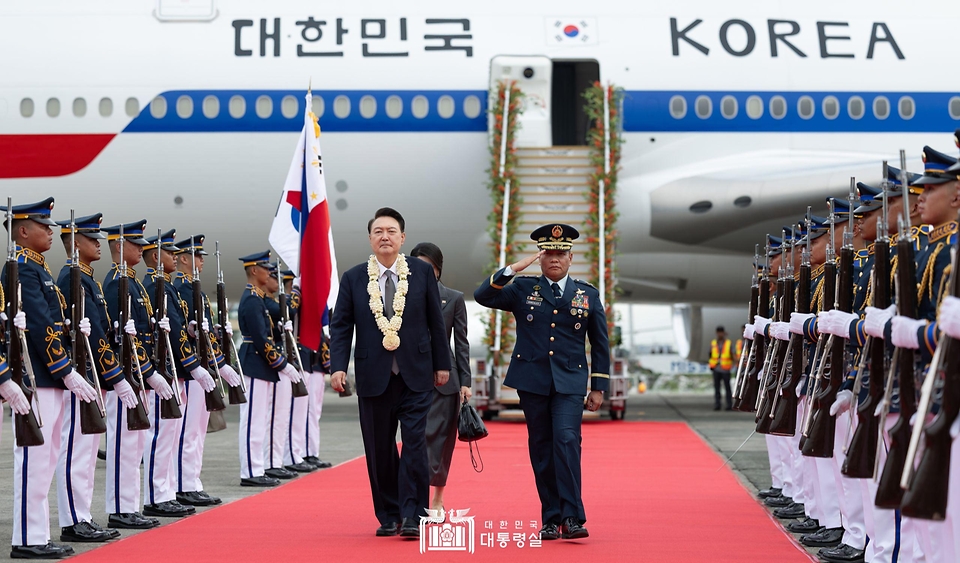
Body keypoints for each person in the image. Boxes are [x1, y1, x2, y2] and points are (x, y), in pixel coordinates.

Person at [474, 223, 610, 541]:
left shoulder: (587, 294)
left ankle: (572, 516)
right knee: (542, 449)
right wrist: (512, 268)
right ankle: (550, 518)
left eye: (561, 253)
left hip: (570, 383)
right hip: (533, 382)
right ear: (541, 256)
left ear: (570, 258)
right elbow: (483, 296)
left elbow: (600, 343)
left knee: (566, 441)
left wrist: (599, 387)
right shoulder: (523, 289)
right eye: (548, 252)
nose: (554, 259)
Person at [329, 207, 450, 538]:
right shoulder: (353, 278)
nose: (385, 236)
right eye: (378, 231)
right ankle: (389, 513)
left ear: (402, 238)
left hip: (416, 374)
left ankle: (413, 515)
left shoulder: (421, 274)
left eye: (391, 231)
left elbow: (435, 323)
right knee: (379, 447)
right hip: (373, 376)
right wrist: (337, 366)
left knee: (413, 445)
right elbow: (340, 326)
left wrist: (443, 364)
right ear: (370, 238)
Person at [1, 198, 99, 559]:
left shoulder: (40, 270)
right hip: (39, 377)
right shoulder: (23, 269)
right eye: (43, 225)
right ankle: (27, 538)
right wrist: (66, 370)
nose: (50, 231)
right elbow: (40, 327)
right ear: (22, 231)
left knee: (47, 457)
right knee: (34, 459)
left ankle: (37, 534)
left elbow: (53, 324)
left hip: (50, 378)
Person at [54, 213, 125, 543]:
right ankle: (73, 520)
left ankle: (82, 515)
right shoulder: (72, 277)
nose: (99, 243)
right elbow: (91, 333)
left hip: (93, 373)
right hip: (82, 372)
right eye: (91, 238)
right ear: (75, 244)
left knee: (86, 449)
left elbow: (101, 330)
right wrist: (112, 374)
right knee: (76, 450)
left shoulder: (89, 280)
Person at [101, 220, 163, 531]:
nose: (141, 249)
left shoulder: (135, 283)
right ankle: (118, 507)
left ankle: (129, 505)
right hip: (126, 373)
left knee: (136, 444)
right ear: (119, 247)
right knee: (123, 443)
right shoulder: (115, 283)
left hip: (138, 371)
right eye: (135, 245)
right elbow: (119, 336)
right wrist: (143, 372)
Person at [173, 234, 242, 505]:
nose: (202, 261)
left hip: (202, 368)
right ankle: (183, 485)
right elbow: (183, 332)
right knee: (186, 432)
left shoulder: (197, 290)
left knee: (197, 432)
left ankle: (191, 481)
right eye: (196, 256)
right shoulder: (180, 289)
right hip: (189, 370)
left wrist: (220, 363)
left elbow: (204, 333)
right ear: (182, 259)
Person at [409, 242, 471, 515]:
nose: (424, 271)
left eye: (429, 266)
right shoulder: (401, 297)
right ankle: (412, 499)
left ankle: (438, 498)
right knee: (416, 440)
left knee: (442, 441)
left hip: (446, 382)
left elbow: (461, 343)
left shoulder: (454, 298)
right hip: (411, 379)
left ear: (438, 268)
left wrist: (466, 382)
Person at [236, 250, 302, 487]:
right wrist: (282, 365)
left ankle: (258, 467)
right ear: (254, 271)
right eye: (265, 268)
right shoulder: (252, 300)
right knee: (252, 420)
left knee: (260, 420)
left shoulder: (257, 298)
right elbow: (261, 339)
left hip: (260, 365)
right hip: (254, 363)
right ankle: (251, 471)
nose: (270, 273)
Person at [708, 325, 733, 411]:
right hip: (716, 368)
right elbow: (710, 354)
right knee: (717, 388)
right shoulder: (713, 343)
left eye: (721, 332)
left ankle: (729, 405)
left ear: (724, 333)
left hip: (725, 369)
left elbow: (732, 355)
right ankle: (717, 404)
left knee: (727, 388)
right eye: (718, 333)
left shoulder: (728, 343)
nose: (720, 334)